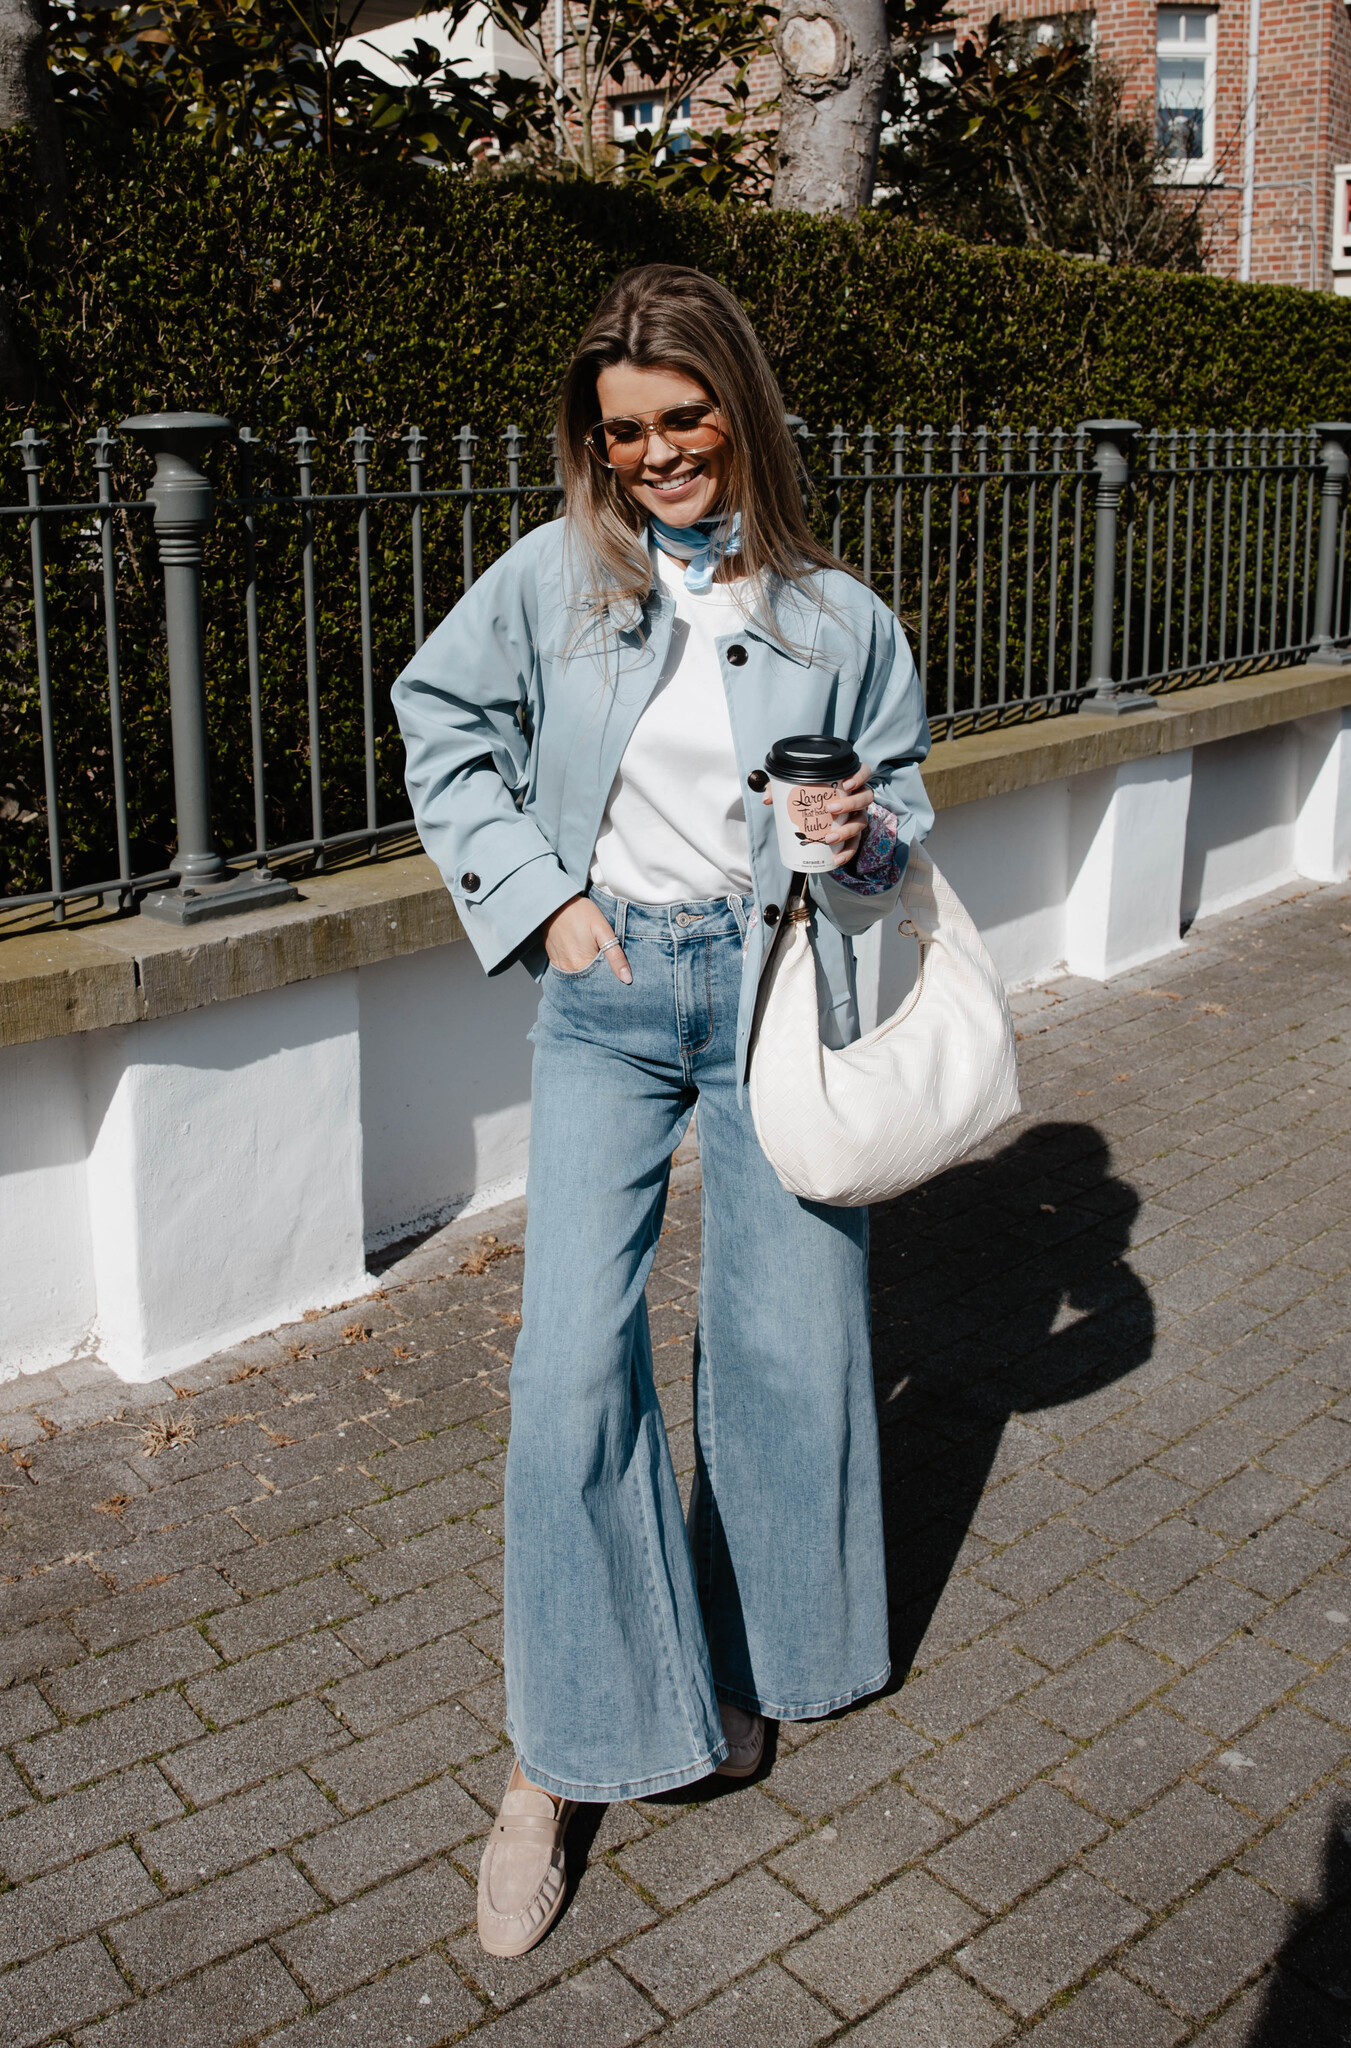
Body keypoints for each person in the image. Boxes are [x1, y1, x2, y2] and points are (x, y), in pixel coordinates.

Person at [392, 263, 933, 1959]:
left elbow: (904, 818)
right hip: (610, 996)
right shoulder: (555, 578)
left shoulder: (838, 616)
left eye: (682, 419)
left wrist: (860, 841)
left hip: (773, 995)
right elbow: (437, 719)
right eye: (622, 432)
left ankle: (758, 1660)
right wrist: (538, 896)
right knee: (568, 1368)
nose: (655, 456)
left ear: (738, 408)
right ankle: (557, 1761)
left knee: (787, 1341)